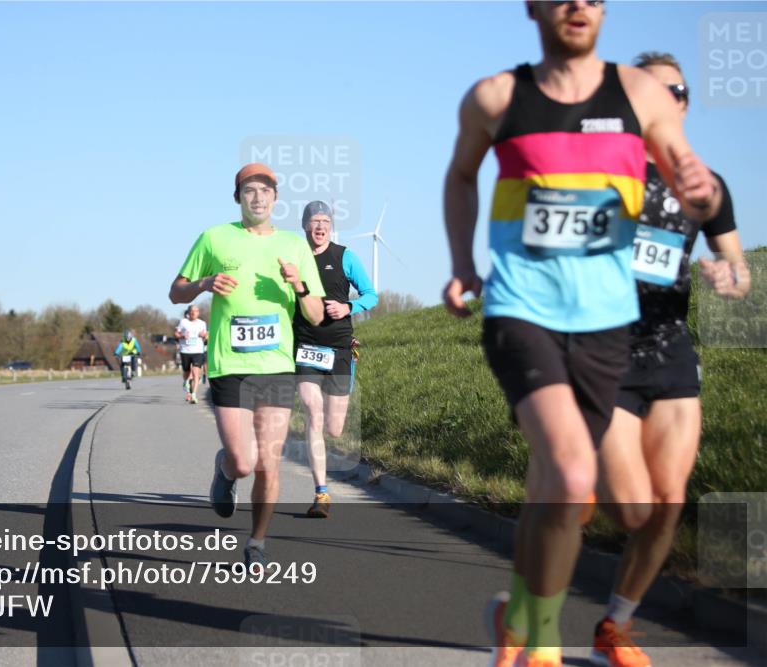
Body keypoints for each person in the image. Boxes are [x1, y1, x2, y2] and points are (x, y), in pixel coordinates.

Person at [441, 3, 721, 666]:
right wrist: (460, 264)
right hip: (521, 312)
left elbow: (693, 178)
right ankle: (540, 643)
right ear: (533, 7)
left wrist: (701, 191)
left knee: (587, 500)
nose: (577, 6)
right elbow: (460, 175)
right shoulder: (496, 96)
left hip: (604, 323)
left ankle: (514, 615)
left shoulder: (640, 93)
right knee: (569, 475)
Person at [588, 52, 751, 667]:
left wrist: (723, 274)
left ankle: (615, 626)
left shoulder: (705, 184)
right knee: (630, 506)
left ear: (684, 102)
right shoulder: (607, 176)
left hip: (672, 352)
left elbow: (739, 271)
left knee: (669, 503)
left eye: (675, 91)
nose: (664, 101)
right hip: (608, 355)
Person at [169, 163, 324, 567]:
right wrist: (204, 284)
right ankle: (224, 470)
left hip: (275, 366)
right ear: (238, 198)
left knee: (268, 461)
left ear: (275, 197)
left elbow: (315, 315)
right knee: (243, 460)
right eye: (249, 190)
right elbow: (175, 291)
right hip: (228, 363)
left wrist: (299, 285)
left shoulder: (294, 246)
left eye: (265, 190)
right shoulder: (215, 238)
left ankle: (256, 542)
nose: (258, 196)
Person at [293, 201, 377, 518]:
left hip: (340, 347)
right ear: (304, 226)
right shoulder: (294, 258)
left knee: (335, 429)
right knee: (313, 415)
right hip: (305, 347)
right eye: (314, 221)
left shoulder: (345, 257)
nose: (320, 226)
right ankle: (321, 493)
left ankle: (351, 365)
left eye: (325, 221)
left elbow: (371, 294)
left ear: (331, 226)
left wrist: (348, 308)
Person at [176, 305, 209, 404]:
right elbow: (176, 334)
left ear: (198, 313)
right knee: (186, 372)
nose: (194, 313)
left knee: (196, 373)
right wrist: (182, 336)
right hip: (185, 350)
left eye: (196, 311)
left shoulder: (202, 323)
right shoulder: (183, 322)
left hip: (198, 351)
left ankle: (194, 394)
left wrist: (204, 335)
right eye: (192, 311)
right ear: (189, 312)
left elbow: (206, 336)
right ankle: (187, 386)